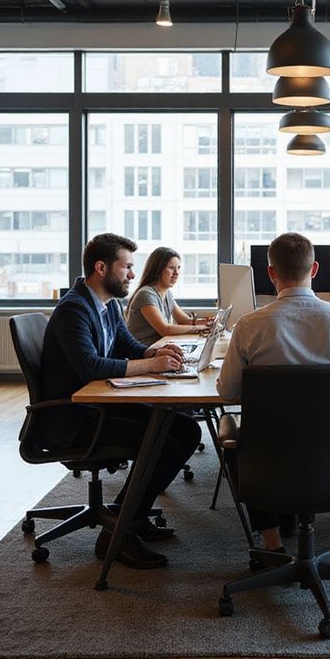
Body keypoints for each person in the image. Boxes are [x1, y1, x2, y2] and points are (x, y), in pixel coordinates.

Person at [39, 232, 202, 570]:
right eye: (126, 266)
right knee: (162, 438)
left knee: (185, 431)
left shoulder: (107, 303)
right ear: (101, 268)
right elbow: (88, 367)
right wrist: (151, 365)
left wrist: (157, 352)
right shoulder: (74, 308)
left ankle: (132, 516)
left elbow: (127, 345)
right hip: (76, 418)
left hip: (102, 405)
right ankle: (119, 532)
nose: (132, 273)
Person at [217, 231, 330, 553]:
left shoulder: (249, 326)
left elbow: (228, 393)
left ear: (271, 272)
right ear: (314, 269)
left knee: (235, 440)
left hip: (269, 454)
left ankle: (271, 544)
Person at [126, 246, 213, 346]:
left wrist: (205, 323)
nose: (176, 273)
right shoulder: (146, 294)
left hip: (159, 347)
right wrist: (199, 328)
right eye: (171, 268)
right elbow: (165, 329)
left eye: (179, 268)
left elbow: (183, 320)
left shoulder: (166, 293)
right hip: (143, 352)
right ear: (158, 270)